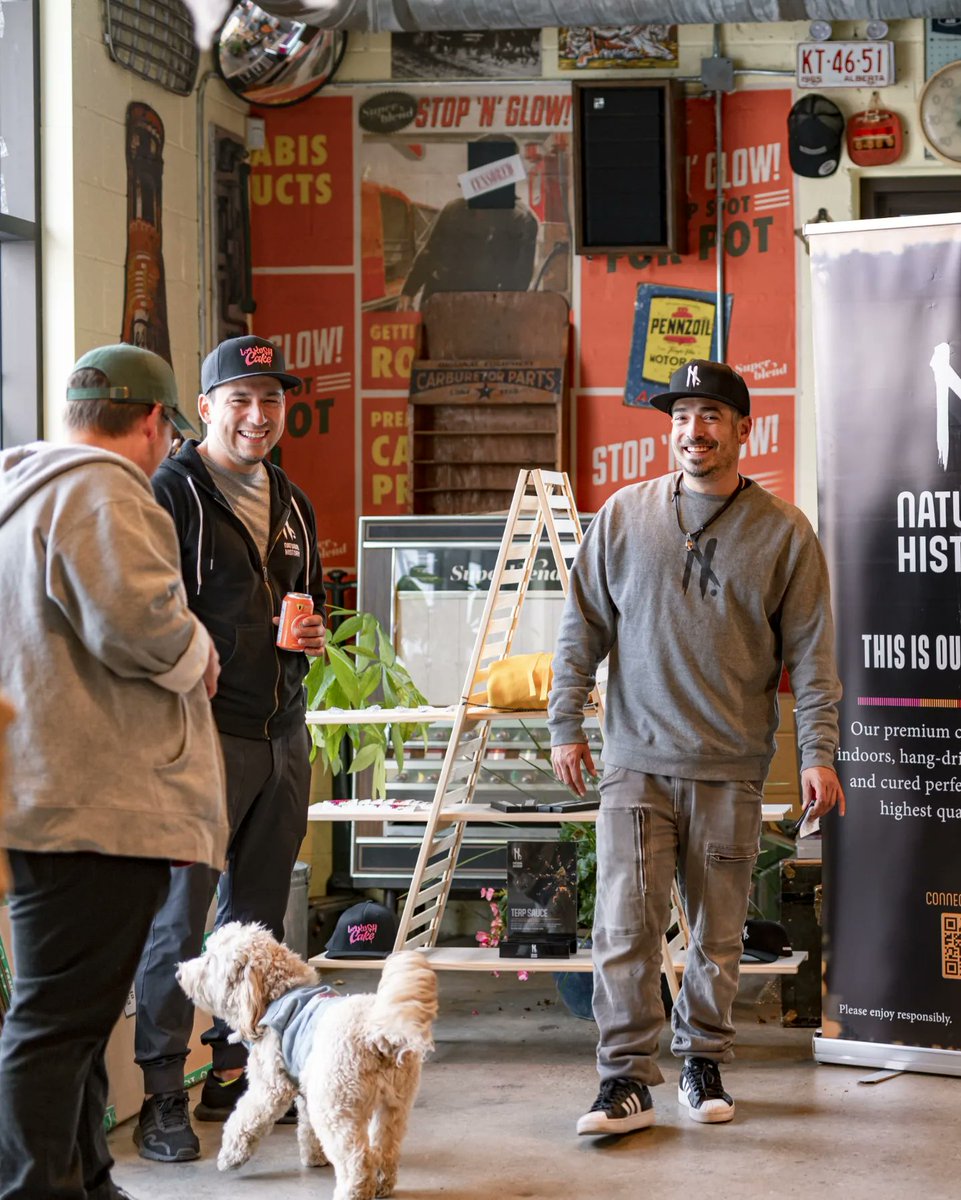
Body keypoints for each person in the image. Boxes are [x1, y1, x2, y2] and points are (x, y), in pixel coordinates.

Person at [548, 358, 844, 1137]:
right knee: (623, 929)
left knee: (717, 935)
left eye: (710, 416)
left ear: (742, 430)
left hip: (728, 767)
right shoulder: (621, 516)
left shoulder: (783, 533)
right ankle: (622, 1081)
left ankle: (701, 1058)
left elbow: (811, 654)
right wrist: (563, 725)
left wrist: (818, 750)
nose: (693, 429)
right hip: (635, 763)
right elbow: (580, 627)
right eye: (680, 416)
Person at [0, 344, 229, 1200]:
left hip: (39, 794)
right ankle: (35, 1189)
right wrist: (199, 649)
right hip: (92, 803)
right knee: (57, 1022)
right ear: (153, 422)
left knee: (73, 1012)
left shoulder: (19, 491)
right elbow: (142, 622)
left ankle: (87, 1181)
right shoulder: (99, 489)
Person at [132, 334, 326, 1163]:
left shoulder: (291, 499)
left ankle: (233, 1070)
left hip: (282, 732)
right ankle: (160, 1097)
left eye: (271, 400)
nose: (257, 415)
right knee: (180, 924)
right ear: (203, 409)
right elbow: (145, 615)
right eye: (239, 399)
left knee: (254, 921)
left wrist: (312, 634)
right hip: (200, 738)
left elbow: (306, 603)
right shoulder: (168, 494)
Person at [397, 137, 538, 310]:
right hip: (440, 306)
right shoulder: (453, 209)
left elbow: (518, 283)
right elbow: (429, 253)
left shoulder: (522, 221)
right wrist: (408, 292)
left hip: (484, 312)